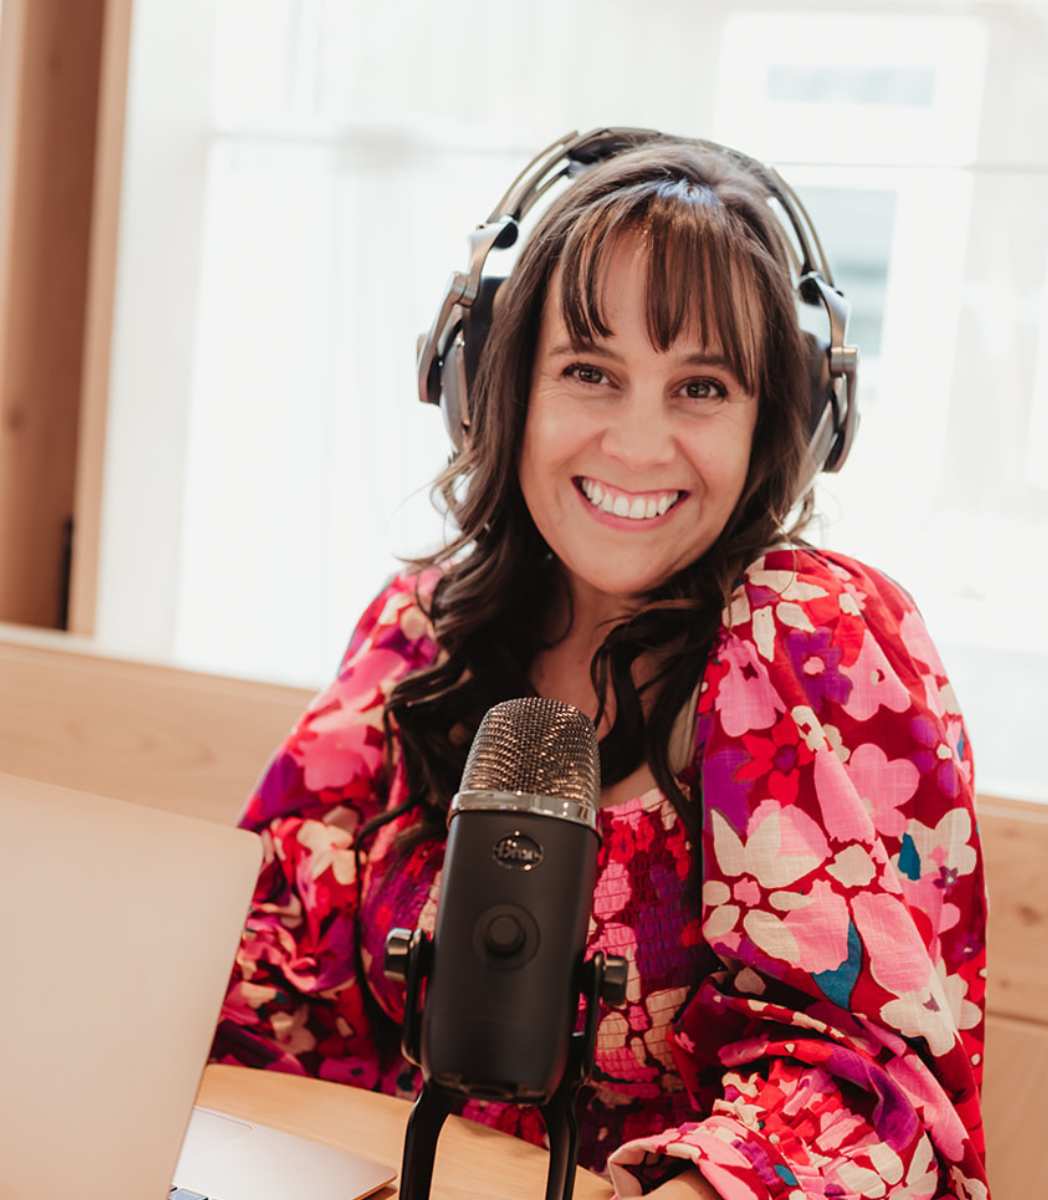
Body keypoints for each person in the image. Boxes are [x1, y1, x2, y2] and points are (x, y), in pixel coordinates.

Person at [210, 134, 990, 1200]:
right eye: (589, 372)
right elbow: (263, 987)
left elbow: (860, 1093)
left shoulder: (807, 637)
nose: (636, 443)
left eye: (701, 387)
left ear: (783, 422)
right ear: (495, 382)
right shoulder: (418, 630)